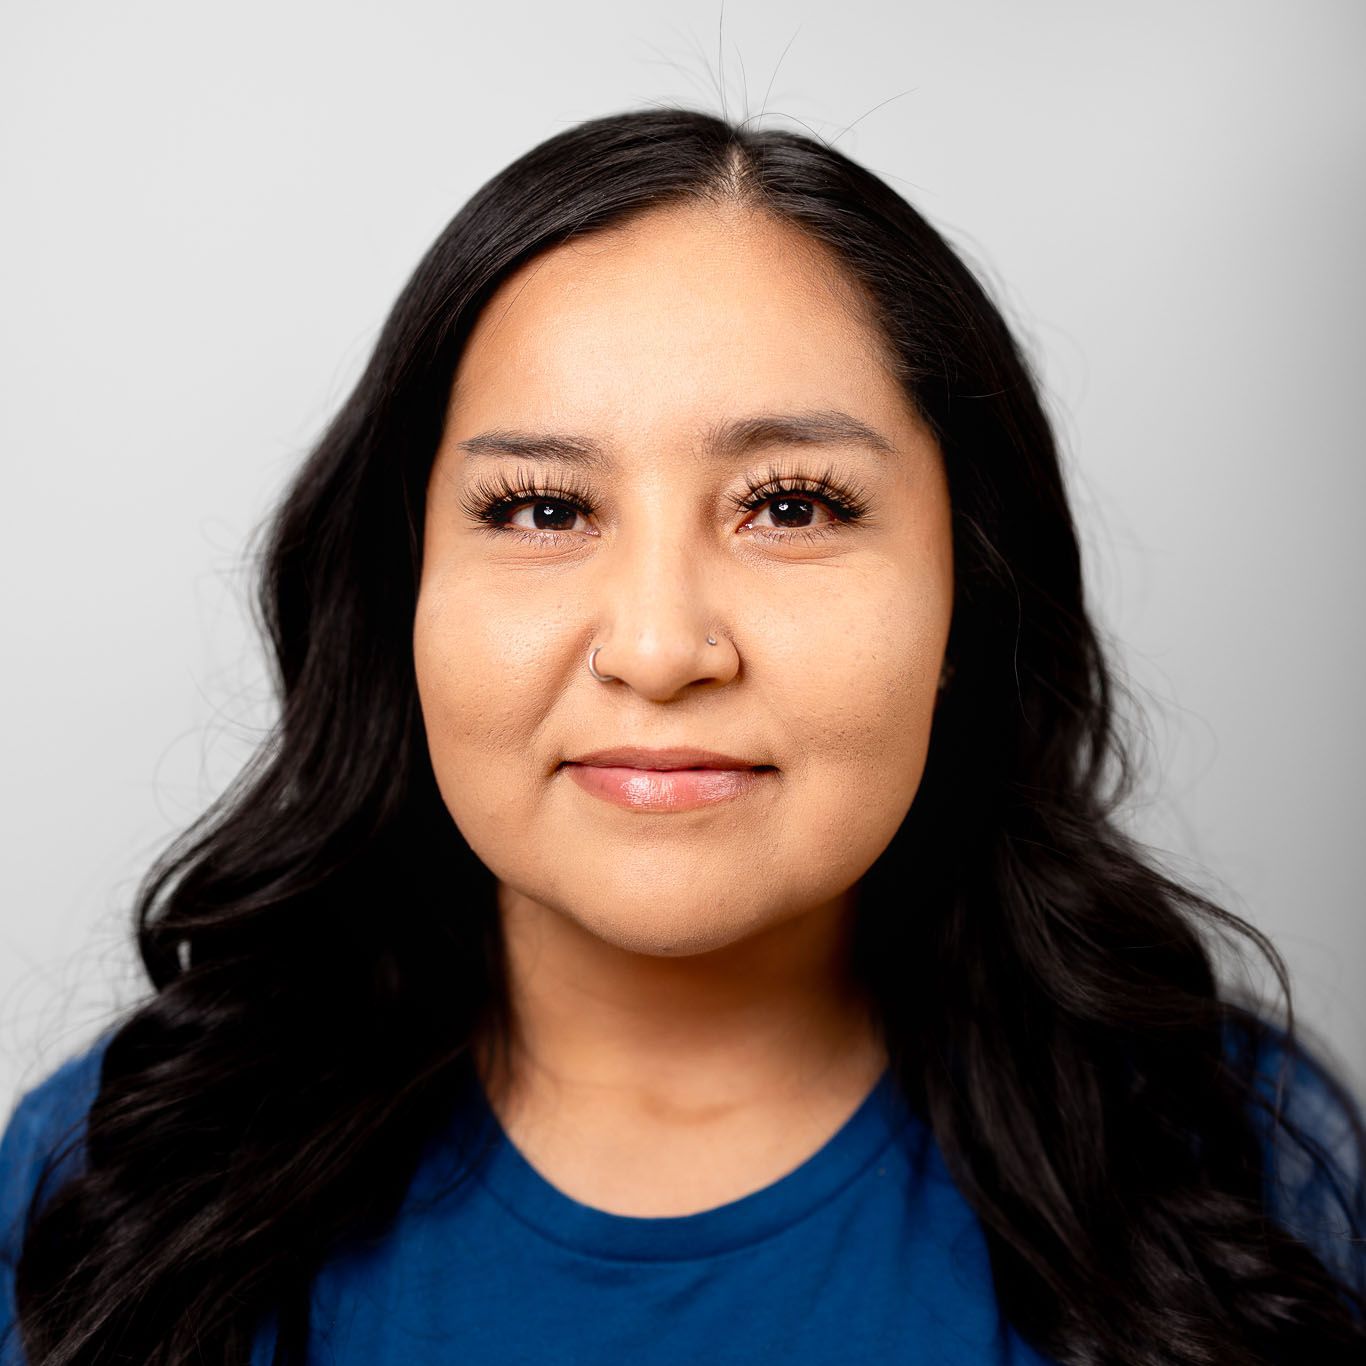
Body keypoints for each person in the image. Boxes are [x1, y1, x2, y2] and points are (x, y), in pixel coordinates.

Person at [1, 106, 1363, 1366]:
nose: (657, 649)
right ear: (396, 597)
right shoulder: (116, 1178)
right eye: (540, 508)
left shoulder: (1229, 1168)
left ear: (969, 595)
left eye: (790, 504)